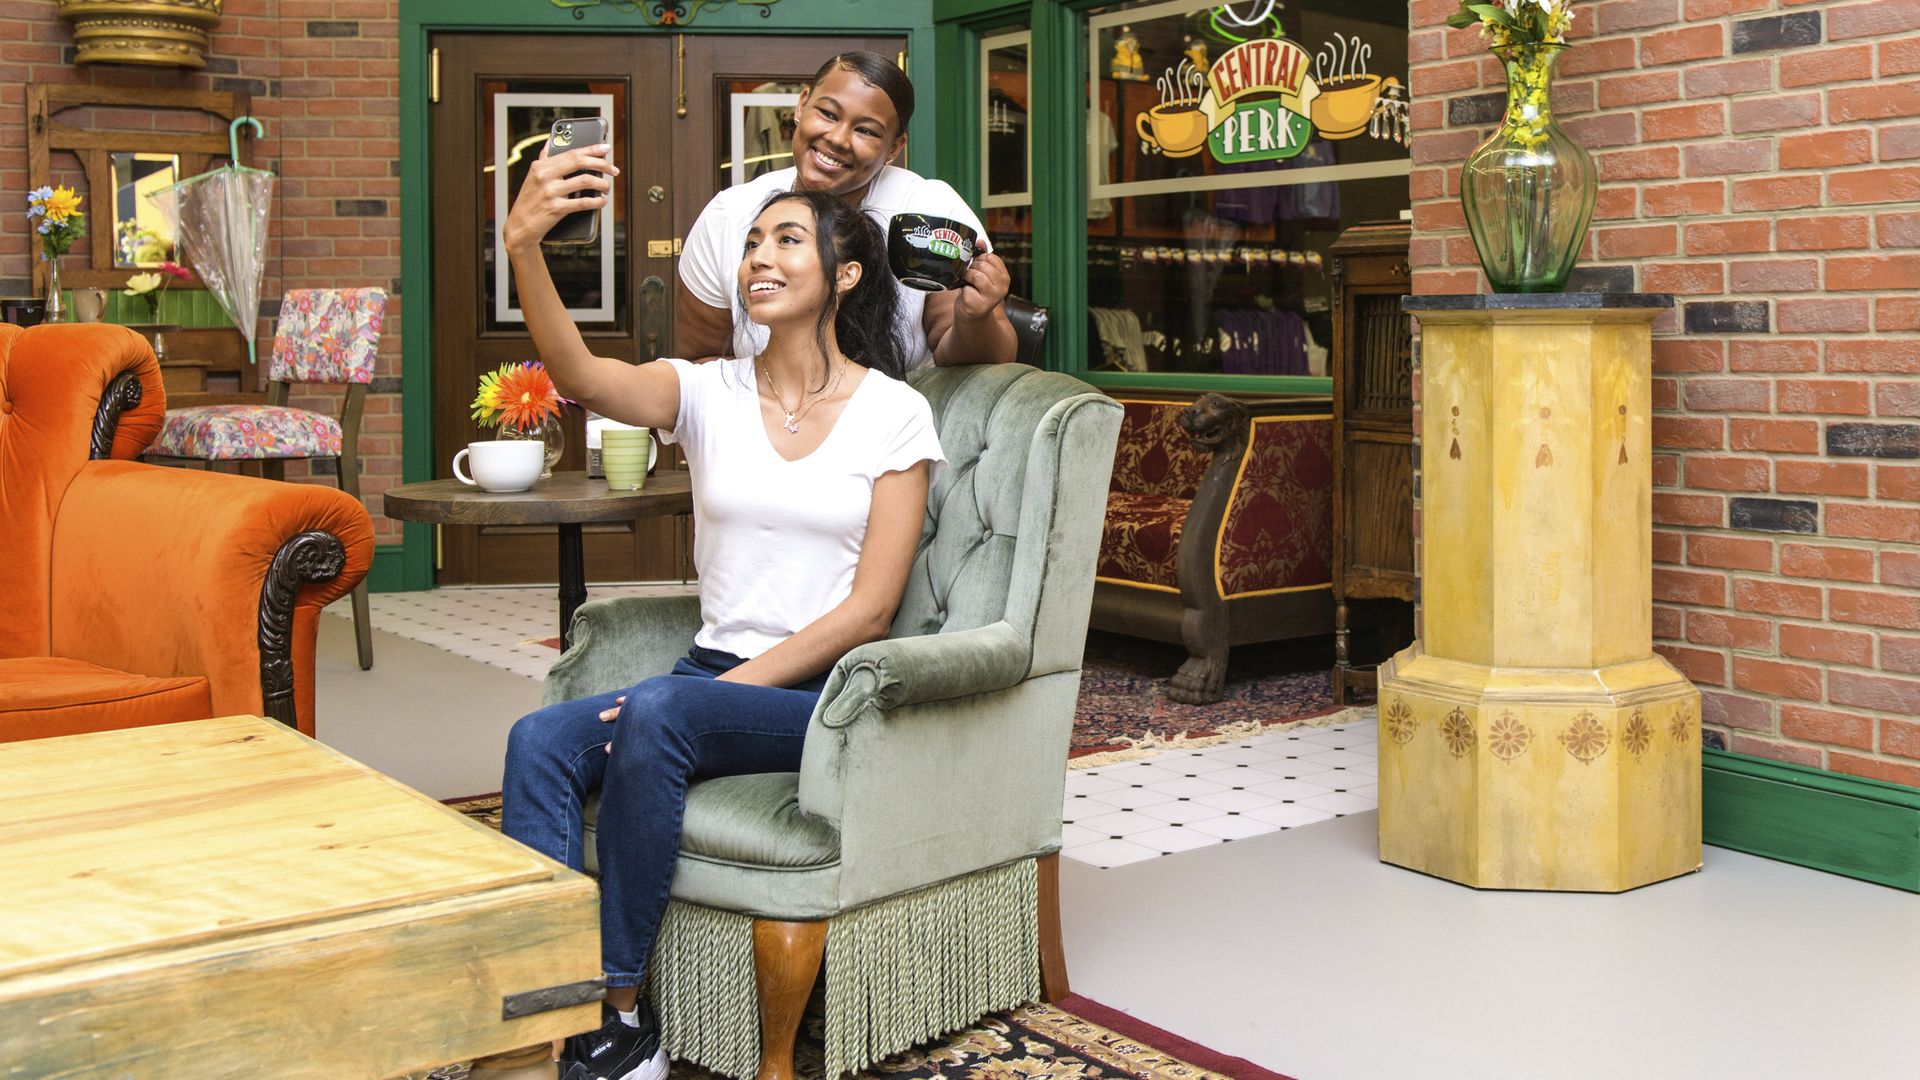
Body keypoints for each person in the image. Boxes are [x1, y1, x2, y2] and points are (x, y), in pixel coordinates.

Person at [494, 142, 944, 1080]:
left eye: (787, 240)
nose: (759, 259)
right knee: (538, 740)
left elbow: (872, 611)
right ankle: (554, 1010)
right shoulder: (705, 390)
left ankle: (621, 1015)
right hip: (705, 683)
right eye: (751, 245)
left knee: (662, 708)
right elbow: (580, 373)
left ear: (844, 275)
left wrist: (713, 695)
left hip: (821, 694)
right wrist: (525, 246)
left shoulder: (894, 413)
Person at [677, 50, 1018, 370]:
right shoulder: (728, 215)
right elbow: (700, 360)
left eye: (866, 130)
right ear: (802, 105)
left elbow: (984, 363)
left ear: (894, 148)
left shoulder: (931, 213)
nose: (838, 139)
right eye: (828, 114)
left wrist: (976, 318)